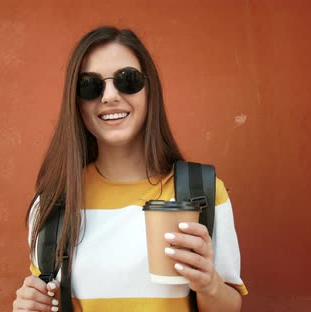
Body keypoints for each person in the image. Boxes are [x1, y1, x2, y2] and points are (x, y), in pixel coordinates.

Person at [13, 26, 247, 312]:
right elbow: (46, 301)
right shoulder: (53, 204)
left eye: (127, 80)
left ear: (150, 91)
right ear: (76, 102)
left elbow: (231, 305)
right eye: (90, 85)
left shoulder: (203, 192)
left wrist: (209, 284)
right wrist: (29, 305)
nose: (110, 96)